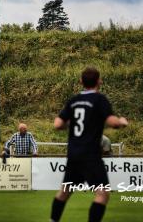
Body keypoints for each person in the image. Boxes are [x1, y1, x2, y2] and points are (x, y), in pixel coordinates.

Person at [50, 67, 128, 222]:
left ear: (81, 81)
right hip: (91, 155)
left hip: (73, 154)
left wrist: (71, 123)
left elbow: (58, 124)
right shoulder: (99, 99)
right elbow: (112, 122)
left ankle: (52, 220)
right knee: (103, 193)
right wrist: (122, 122)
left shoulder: (73, 100)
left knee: (64, 192)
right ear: (99, 81)